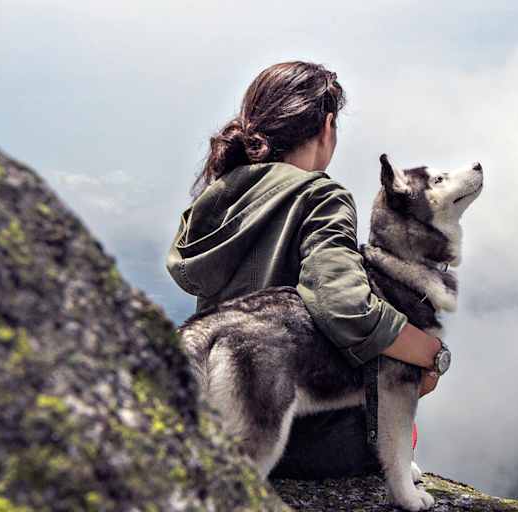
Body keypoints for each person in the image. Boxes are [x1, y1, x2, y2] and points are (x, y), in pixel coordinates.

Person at [165, 61, 443, 478]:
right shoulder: (320, 196)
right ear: (327, 125)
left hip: (218, 419)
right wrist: (430, 353)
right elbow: (344, 303)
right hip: (297, 435)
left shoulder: (217, 197)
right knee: (401, 426)